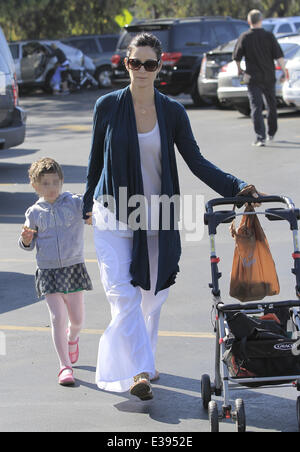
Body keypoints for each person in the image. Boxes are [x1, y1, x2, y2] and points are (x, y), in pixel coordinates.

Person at [83, 32, 260, 401]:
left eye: (150, 63)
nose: (142, 70)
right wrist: (86, 202)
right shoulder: (107, 106)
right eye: (135, 63)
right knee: (122, 294)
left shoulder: (173, 112)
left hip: (155, 215)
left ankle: (144, 359)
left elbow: (196, 161)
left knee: (151, 296)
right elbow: (95, 161)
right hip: (114, 213)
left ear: (159, 66)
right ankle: (135, 372)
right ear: (126, 64)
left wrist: (235, 185)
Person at [19, 158, 93, 386]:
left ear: (61, 181)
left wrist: (92, 217)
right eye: (45, 184)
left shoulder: (74, 203)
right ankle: (64, 366)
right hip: (49, 271)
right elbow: (27, 243)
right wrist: (25, 240)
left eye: (54, 182)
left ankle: (73, 338)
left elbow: (91, 213)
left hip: (73, 268)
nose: (51, 188)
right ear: (35, 186)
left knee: (77, 320)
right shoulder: (33, 212)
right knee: (57, 318)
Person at [233, 9, 288, 147]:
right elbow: (279, 56)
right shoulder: (269, 36)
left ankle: (260, 137)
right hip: (269, 76)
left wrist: (240, 69)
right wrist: (284, 71)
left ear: (249, 21)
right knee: (271, 105)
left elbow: (237, 57)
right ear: (261, 20)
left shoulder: (245, 37)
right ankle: (271, 132)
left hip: (252, 77)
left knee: (256, 107)